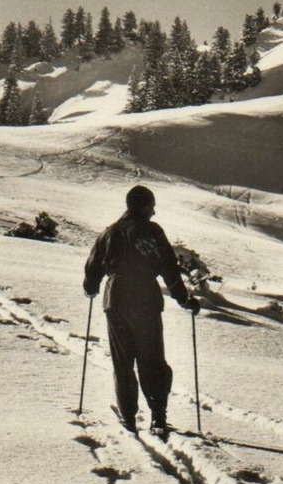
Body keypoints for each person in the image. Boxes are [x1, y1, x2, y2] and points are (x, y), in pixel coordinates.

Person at [83, 185, 199, 438]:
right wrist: (184, 299)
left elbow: (93, 268)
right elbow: (169, 267)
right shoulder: (152, 232)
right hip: (146, 300)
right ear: (144, 206)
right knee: (152, 359)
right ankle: (158, 416)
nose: (154, 211)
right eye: (152, 206)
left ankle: (128, 418)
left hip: (116, 301)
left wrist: (91, 289)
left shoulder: (109, 233)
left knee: (122, 362)